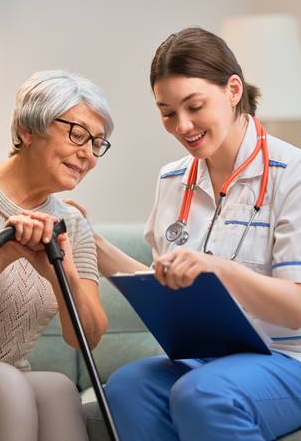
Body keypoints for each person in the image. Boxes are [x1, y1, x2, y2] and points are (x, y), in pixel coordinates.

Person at [84, 27, 301, 440]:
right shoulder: (172, 180)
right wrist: (89, 241)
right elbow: (164, 281)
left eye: (194, 106)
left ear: (233, 89)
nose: (182, 125)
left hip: (289, 357)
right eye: (167, 112)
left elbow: (297, 308)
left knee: (204, 393)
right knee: (128, 388)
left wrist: (218, 269)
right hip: (213, 360)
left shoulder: (292, 175)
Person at [0, 70, 113, 441]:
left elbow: (85, 339)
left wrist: (64, 274)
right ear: (27, 129)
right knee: (4, 383)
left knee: (56, 388)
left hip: (6, 372)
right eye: (77, 134)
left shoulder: (71, 224)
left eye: (98, 143)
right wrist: (1, 257)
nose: (88, 154)